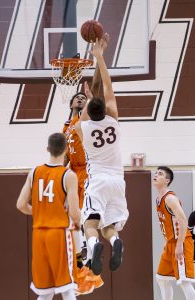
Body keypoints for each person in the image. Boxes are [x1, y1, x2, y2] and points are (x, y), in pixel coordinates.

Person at [75, 38, 129, 276]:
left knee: (90, 224)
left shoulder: (82, 128)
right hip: (118, 181)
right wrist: (101, 57)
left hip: (97, 180)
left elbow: (84, 114)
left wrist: (86, 100)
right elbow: (108, 86)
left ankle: (95, 246)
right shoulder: (114, 119)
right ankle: (115, 240)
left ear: (87, 110)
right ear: (105, 109)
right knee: (108, 225)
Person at [62, 34, 109, 295]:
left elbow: (97, 92)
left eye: (84, 97)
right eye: (77, 97)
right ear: (70, 103)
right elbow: (66, 156)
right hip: (72, 176)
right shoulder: (66, 127)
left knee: (84, 224)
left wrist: (97, 58)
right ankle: (82, 276)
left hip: (88, 174)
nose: (80, 98)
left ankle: (89, 271)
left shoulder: (87, 120)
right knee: (74, 228)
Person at [16, 133, 80, 300]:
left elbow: (21, 205)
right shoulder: (69, 175)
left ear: (47, 149)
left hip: (39, 235)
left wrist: (40, 211)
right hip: (58, 234)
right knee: (67, 288)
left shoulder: (34, 172)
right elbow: (74, 213)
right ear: (66, 150)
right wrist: (79, 224)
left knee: (45, 291)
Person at [153, 166, 195, 300]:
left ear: (167, 180)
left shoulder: (170, 198)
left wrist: (179, 245)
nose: (156, 175)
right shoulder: (159, 198)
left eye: (160, 174)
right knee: (162, 278)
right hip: (170, 244)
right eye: (156, 173)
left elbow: (183, 221)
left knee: (184, 282)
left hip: (180, 242)